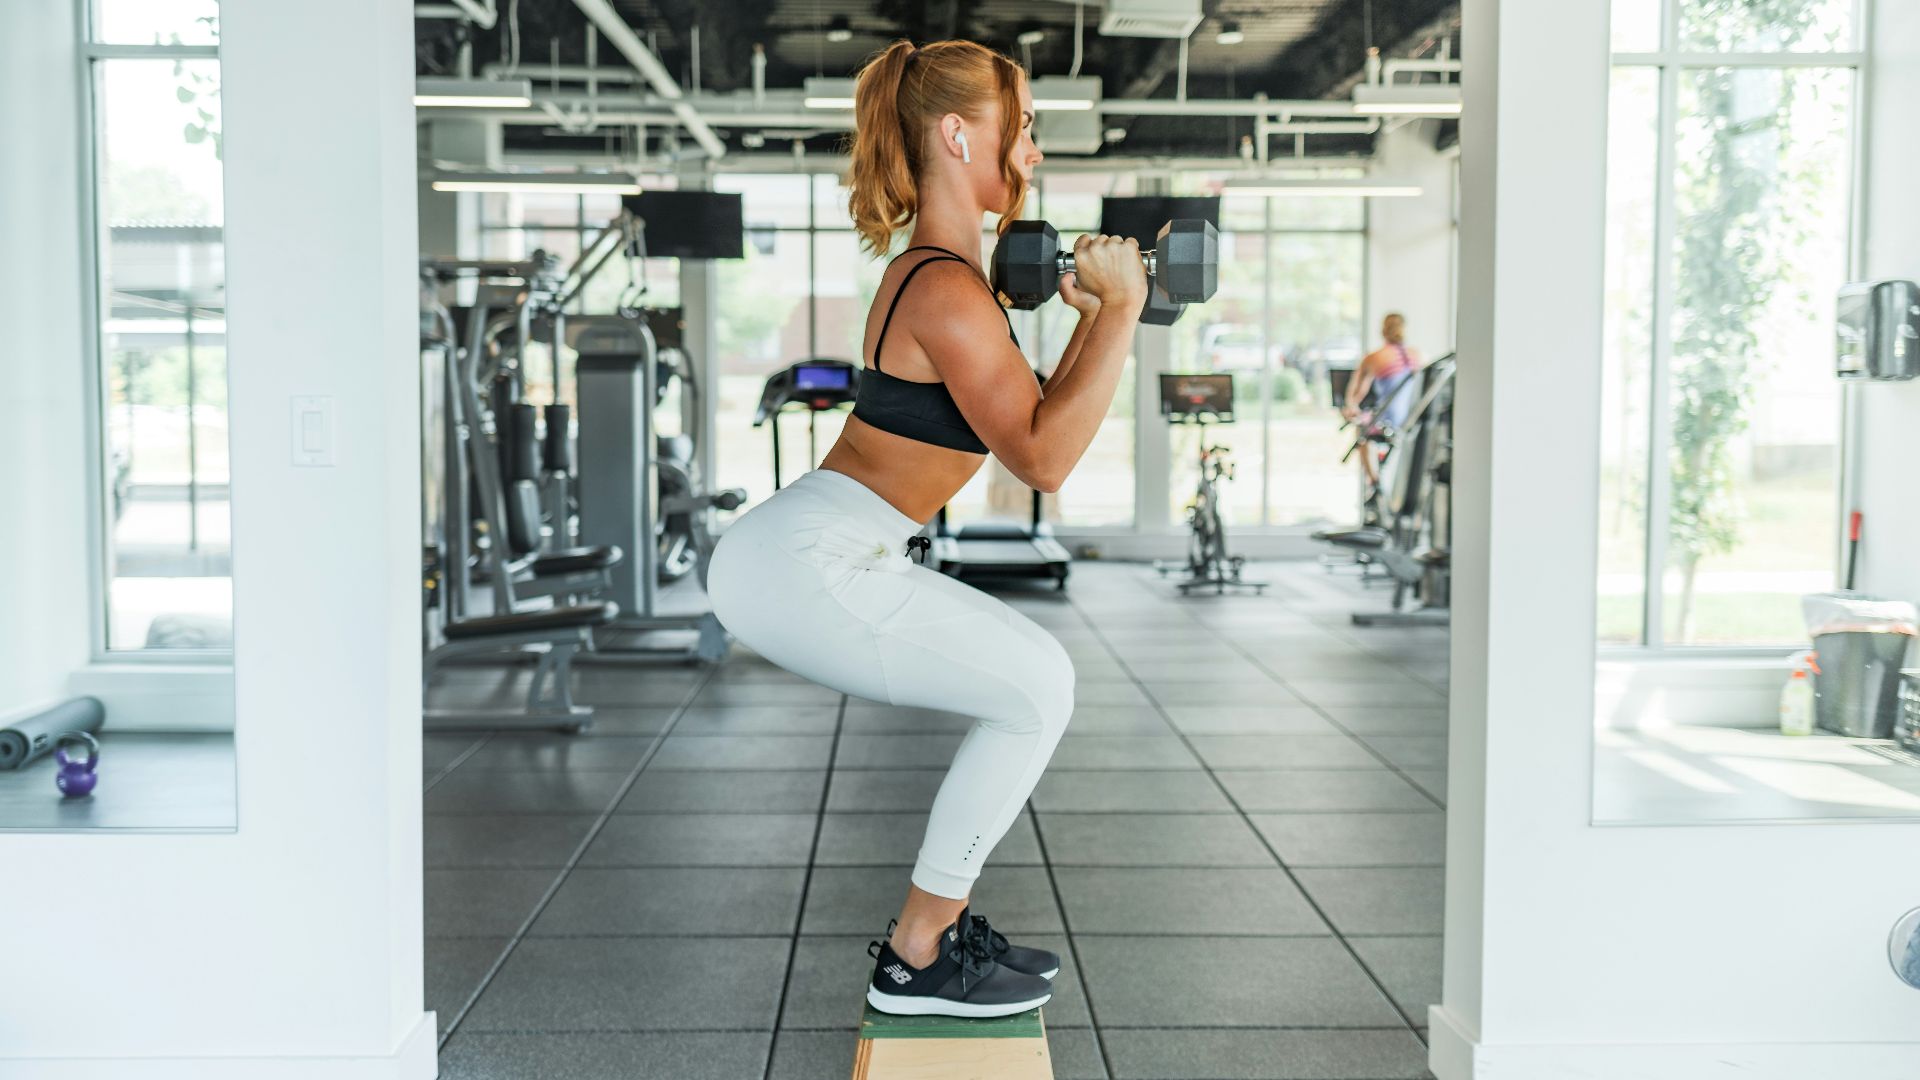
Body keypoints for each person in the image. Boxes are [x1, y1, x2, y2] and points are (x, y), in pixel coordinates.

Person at [704, 39, 1146, 1019]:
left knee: (1032, 684)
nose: (1032, 151)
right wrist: (1120, 315)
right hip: (809, 564)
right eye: (1020, 126)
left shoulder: (948, 278)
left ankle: (929, 943)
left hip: (818, 549)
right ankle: (919, 955)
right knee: (1038, 685)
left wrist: (1093, 318)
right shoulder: (945, 286)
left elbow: (1032, 418)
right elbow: (1045, 459)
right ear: (959, 133)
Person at [1341, 313, 1426, 498]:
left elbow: (1356, 394)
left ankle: (1374, 482)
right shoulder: (1416, 355)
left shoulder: (1374, 357)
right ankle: (1378, 485)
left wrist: (1350, 407)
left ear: (1383, 330)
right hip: (1413, 418)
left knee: (1361, 433)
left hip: (1388, 419)